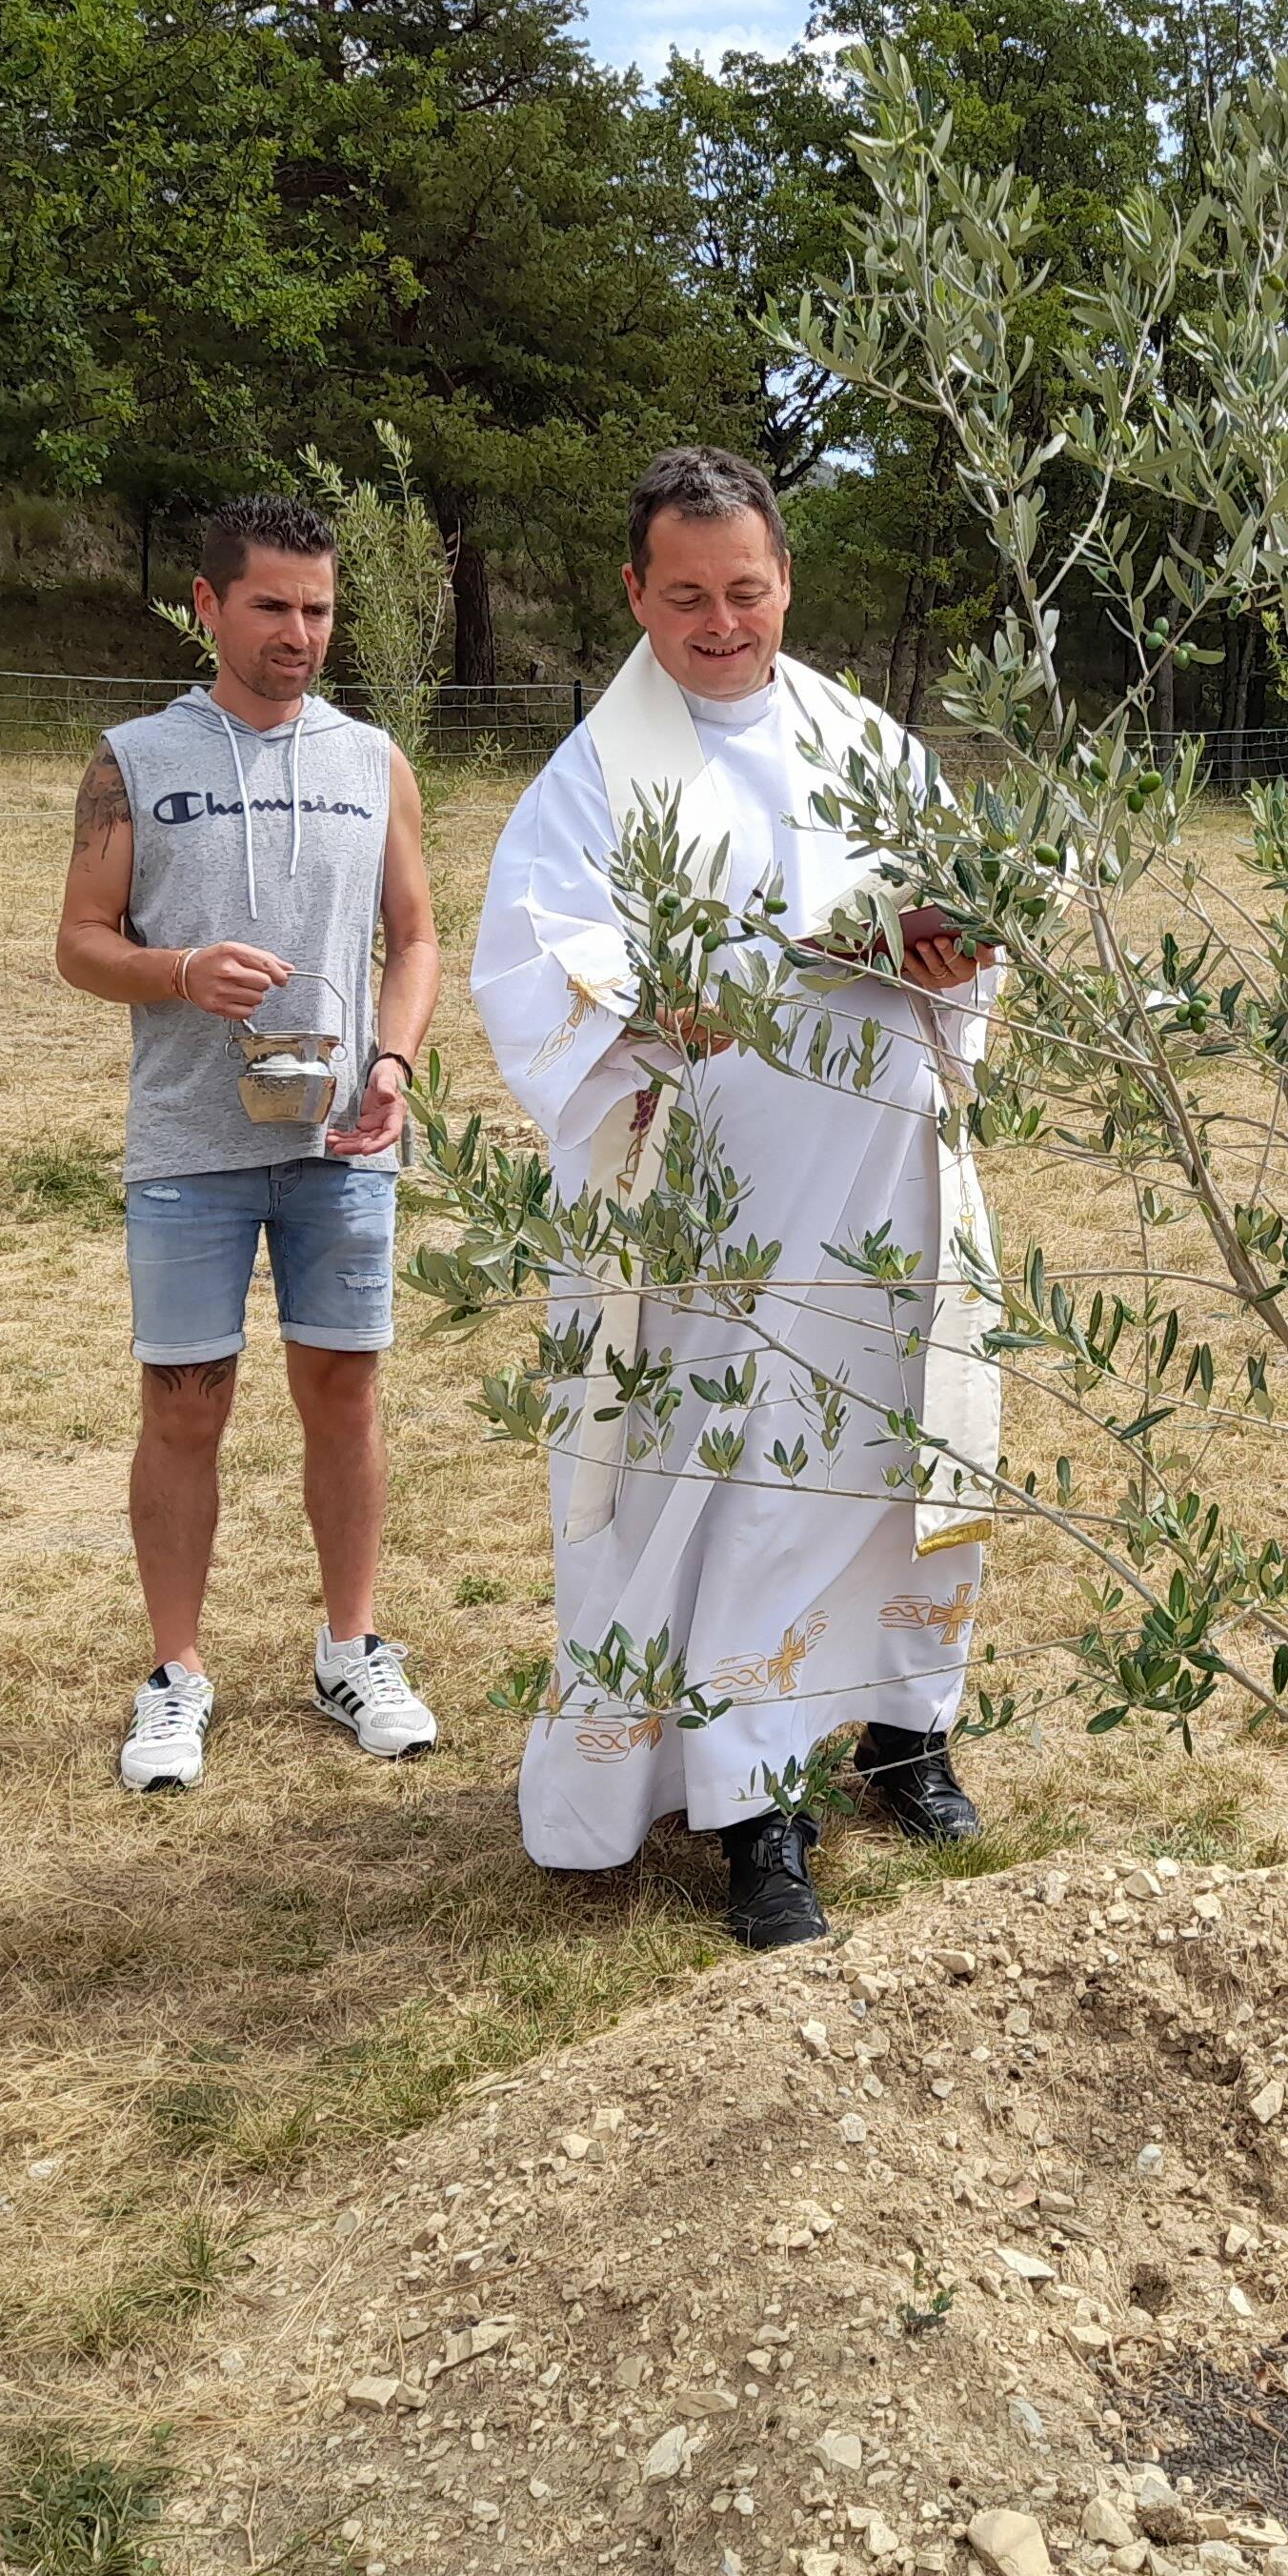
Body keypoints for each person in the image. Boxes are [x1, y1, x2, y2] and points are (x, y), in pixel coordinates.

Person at [469, 447, 995, 1948]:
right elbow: (537, 964)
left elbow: (962, 908)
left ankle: (904, 1727)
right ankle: (753, 1800)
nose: (720, 622)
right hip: (708, 1220)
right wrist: (657, 1004)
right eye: (685, 594)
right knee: (734, 1478)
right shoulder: (590, 781)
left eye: (746, 591)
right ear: (634, 591)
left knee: (895, 1459)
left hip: (883, 1178)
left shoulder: (865, 744)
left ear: (785, 582)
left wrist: (954, 949)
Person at [58, 493, 444, 1792]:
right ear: (208, 606)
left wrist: (392, 1063)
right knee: (187, 1403)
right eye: (272, 606)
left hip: (342, 1139)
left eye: (319, 610)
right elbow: (80, 943)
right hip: (187, 1142)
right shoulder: (132, 759)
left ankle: (352, 1648)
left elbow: (419, 937)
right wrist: (179, 972)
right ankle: (175, 1677)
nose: (299, 633)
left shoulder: (371, 759)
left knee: (343, 1390)